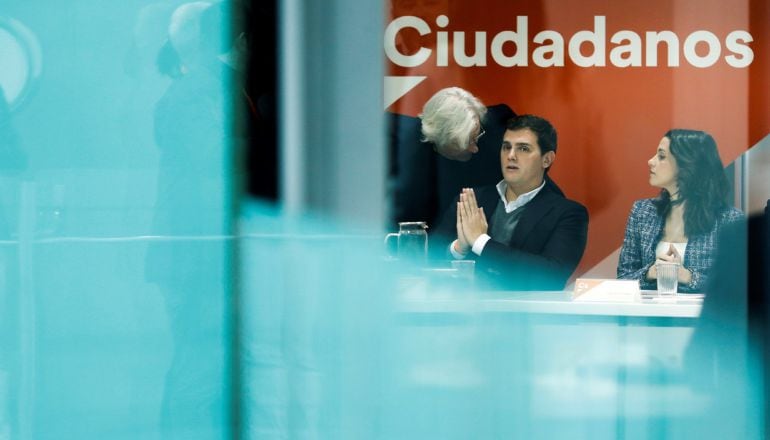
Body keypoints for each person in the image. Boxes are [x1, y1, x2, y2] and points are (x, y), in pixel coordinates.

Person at [431, 114, 589, 290]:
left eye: (523, 149)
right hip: (463, 312)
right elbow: (428, 260)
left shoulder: (569, 214)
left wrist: (481, 242)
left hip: (524, 316)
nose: (511, 156)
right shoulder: (471, 199)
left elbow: (550, 276)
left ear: (547, 159)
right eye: (506, 147)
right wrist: (459, 248)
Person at [617, 129, 744, 292]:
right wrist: (650, 273)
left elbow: (737, 287)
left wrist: (687, 276)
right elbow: (622, 279)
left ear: (687, 166)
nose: (650, 161)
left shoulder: (729, 220)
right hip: (649, 316)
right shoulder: (642, 212)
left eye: (661, 156)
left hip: (706, 318)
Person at [388, 87, 515, 227]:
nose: (475, 149)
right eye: (466, 142)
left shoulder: (501, 129)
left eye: (477, 137)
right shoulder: (399, 152)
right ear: (440, 140)